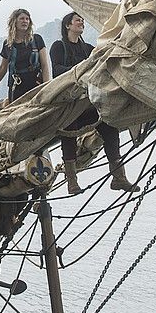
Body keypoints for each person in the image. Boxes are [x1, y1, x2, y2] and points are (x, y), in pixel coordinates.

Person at [49, 13, 96, 194]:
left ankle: (118, 175)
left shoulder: (88, 49)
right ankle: (72, 181)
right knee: (69, 133)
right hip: (68, 102)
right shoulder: (59, 47)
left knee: (108, 125)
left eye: (82, 20)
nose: (81, 22)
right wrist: (80, 70)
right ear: (68, 25)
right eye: (78, 20)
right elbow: (57, 70)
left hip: (87, 101)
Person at [0, 9, 51, 104]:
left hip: (35, 84)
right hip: (17, 86)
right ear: (14, 21)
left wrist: (46, 86)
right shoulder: (8, 44)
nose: (25, 21)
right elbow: (3, 68)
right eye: (21, 18)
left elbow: (45, 65)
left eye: (27, 19)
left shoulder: (37, 39)